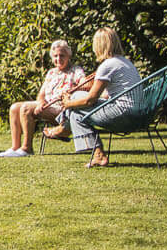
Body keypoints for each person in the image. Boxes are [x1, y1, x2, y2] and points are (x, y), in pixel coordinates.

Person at [59, 27, 142, 169]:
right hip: (137, 112)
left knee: (75, 111)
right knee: (77, 101)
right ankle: (64, 127)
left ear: (99, 45)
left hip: (123, 114)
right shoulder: (125, 62)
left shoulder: (107, 65)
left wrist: (68, 103)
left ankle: (65, 130)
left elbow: (90, 99)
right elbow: (104, 95)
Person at [0, 39, 88, 157]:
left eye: (62, 55)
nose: (58, 59)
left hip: (62, 109)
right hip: (48, 105)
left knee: (26, 108)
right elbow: (41, 94)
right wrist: (41, 103)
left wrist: (73, 91)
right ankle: (15, 147)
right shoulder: (51, 72)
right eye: (55, 56)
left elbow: (85, 84)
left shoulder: (75, 71)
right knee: (15, 107)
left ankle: (27, 148)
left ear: (68, 56)